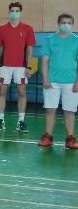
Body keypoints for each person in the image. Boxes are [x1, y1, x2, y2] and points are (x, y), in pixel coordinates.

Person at [0, 1, 37, 133]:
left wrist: (28, 67)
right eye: (12, 10)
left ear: (20, 13)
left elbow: (29, 49)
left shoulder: (28, 28)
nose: (14, 13)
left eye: (17, 11)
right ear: (9, 12)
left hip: (21, 67)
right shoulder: (1, 29)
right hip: (4, 66)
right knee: (2, 92)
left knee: (22, 92)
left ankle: (21, 121)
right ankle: (0, 120)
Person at [38, 14, 78, 149]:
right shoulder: (49, 40)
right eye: (63, 22)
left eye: (69, 23)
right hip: (52, 82)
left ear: (72, 25)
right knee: (50, 109)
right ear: (58, 23)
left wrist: (77, 82)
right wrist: (45, 79)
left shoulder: (76, 41)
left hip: (71, 82)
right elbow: (44, 61)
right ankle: (48, 137)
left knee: (70, 111)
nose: (66, 25)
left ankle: (70, 138)